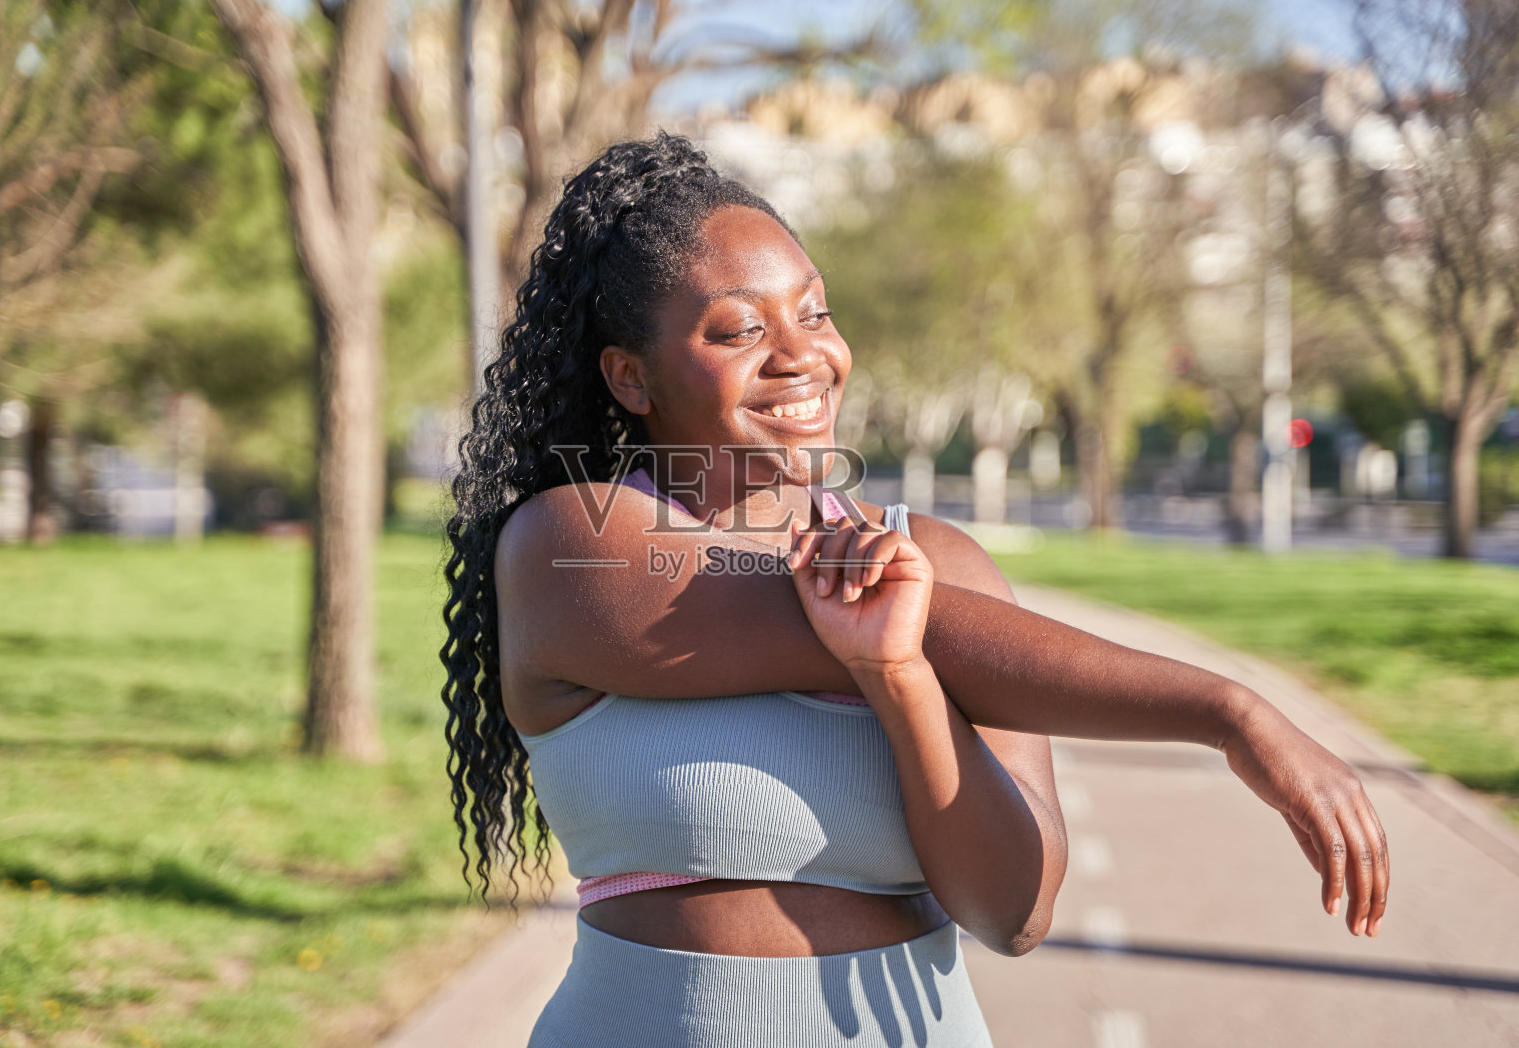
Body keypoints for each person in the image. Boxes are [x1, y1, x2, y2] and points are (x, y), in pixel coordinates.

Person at [440, 132, 1389, 1047]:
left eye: (813, 312)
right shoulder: (575, 545)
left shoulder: (943, 561)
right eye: (737, 329)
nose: (801, 353)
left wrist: (899, 677)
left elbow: (1014, 912)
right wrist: (1228, 711)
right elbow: (818, 613)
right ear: (630, 377)